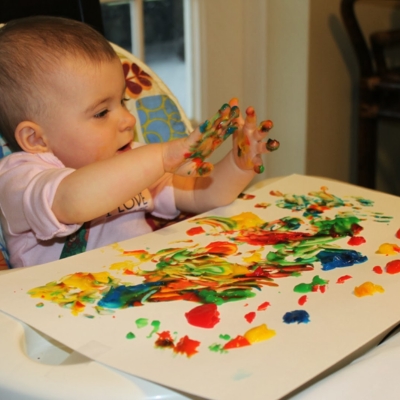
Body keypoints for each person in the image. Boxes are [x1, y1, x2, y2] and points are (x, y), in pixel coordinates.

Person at [0, 16, 278, 269]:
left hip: (140, 292)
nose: (128, 120)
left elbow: (201, 194)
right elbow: (72, 202)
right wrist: (159, 159)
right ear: (36, 138)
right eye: (101, 112)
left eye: (122, 101)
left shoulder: (131, 159)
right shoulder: (19, 178)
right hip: (55, 309)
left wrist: (238, 164)